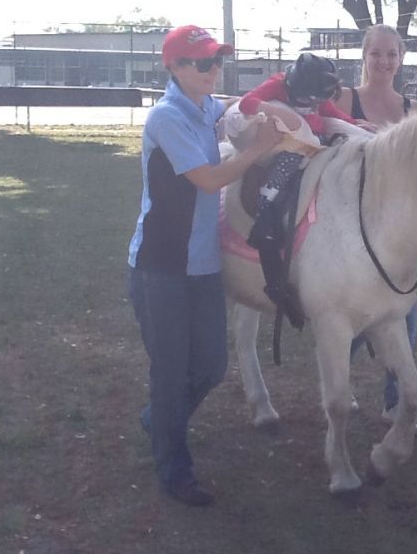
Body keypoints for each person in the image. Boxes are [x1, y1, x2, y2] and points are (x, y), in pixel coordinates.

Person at [127, 25, 282, 507]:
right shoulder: (167, 117)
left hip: (202, 264)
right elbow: (210, 179)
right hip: (160, 266)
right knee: (172, 371)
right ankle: (175, 470)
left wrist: (282, 94)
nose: (213, 69)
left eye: (217, 61)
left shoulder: (204, 106)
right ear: (173, 67)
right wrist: (257, 149)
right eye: (201, 62)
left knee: (212, 365)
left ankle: (160, 419)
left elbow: (239, 105)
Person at [335, 24, 417, 434]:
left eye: (392, 54)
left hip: (396, 234)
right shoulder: (343, 99)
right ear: (364, 56)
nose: (384, 62)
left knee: (402, 313)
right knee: (350, 320)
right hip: (348, 227)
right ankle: (338, 384)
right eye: (376, 54)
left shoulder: (413, 109)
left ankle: (394, 402)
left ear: (401, 59)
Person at [239, 53, 359, 327]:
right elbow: (247, 103)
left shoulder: (317, 93)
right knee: (289, 163)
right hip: (286, 142)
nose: (310, 105)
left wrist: (354, 124)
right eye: (306, 100)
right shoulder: (277, 84)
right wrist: (277, 110)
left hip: (314, 140)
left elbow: (329, 111)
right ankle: (267, 203)